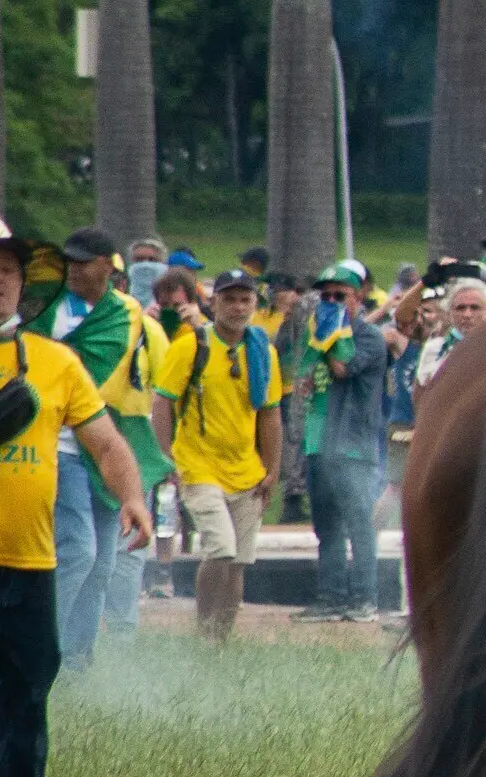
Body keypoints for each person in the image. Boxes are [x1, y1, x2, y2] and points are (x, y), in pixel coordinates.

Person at [0, 219, 148, 777]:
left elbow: (104, 441)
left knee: (26, 699)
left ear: (23, 285)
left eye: (7, 270)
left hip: (31, 564)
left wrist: (131, 495)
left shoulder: (55, 361)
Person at [31, 230, 146, 665]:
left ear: (108, 266)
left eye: (84, 261)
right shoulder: (45, 297)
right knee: (78, 550)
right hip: (55, 445)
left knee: (102, 563)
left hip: (96, 444)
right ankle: (43, 648)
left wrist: (53, 355)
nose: (74, 269)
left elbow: (81, 370)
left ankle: (77, 658)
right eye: (70, 261)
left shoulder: (120, 314)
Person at [151, 271, 285, 645]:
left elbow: (270, 413)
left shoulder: (263, 351)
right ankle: (204, 630)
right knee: (221, 550)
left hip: (246, 470)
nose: (238, 307)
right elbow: (162, 402)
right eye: (229, 299)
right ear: (213, 304)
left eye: (246, 300)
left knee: (240, 561)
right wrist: (167, 459)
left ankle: (221, 643)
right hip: (199, 465)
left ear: (255, 305)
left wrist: (272, 470)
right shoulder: (190, 346)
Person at [296, 260, 394, 619]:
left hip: (353, 443)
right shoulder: (317, 333)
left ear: (358, 297)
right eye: (326, 296)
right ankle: (330, 596)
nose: (332, 301)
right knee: (326, 526)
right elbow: (304, 377)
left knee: (359, 523)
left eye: (340, 295)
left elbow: (341, 369)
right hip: (319, 440)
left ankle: (365, 597)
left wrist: (332, 332)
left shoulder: (367, 337)